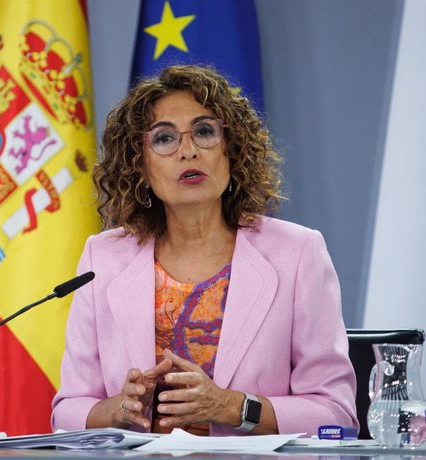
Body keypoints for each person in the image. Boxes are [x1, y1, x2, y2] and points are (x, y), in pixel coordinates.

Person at [51, 65, 358, 436]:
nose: (189, 151)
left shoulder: (297, 253)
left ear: (231, 151)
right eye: (164, 139)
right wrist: (118, 409)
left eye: (204, 132)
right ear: (140, 167)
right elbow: (67, 412)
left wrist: (230, 406)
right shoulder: (104, 257)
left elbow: (336, 415)